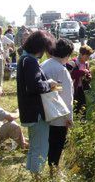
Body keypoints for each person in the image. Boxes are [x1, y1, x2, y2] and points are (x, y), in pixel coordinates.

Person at [16, 30, 59, 177]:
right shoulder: (31, 62)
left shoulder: (24, 59)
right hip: (37, 112)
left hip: (29, 111)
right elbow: (35, 86)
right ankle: (37, 177)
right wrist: (50, 83)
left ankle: (33, 175)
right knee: (41, 147)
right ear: (39, 47)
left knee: (35, 146)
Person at [41, 38, 74, 174]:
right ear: (67, 54)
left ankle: (46, 167)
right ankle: (54, 170)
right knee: (57, 143)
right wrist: (69, 117)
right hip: (58, 114)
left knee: (47, 141)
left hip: (43, 110)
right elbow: (64, 96)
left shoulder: (44, 64)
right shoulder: (61, 70)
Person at [67, 45, 93, 118]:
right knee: (74, 106)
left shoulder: (86, 63)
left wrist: (89, 77)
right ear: (81, 54)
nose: (88, 58)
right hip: (72, 89)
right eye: (86, 56)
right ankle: (74, 122)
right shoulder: (72, 63)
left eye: (89, 56)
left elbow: (88, 73)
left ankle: (82, 122)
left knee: (82, 106)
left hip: (81, 88)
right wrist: (81, 72)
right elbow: (68, 75)